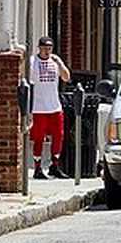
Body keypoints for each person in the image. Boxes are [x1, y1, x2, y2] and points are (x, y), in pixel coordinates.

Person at [27, 37, 70, 180]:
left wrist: (60, 63)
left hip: (55, 106)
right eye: (44, 48)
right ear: (39, 48)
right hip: (39, 107)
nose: (47, 51)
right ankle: (38, 167)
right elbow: (28, 78)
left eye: (49, 48)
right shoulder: (34, 62)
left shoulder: (55, 62)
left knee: (59, 135)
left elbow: (66, 77)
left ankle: (55, 165)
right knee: (39, 138)